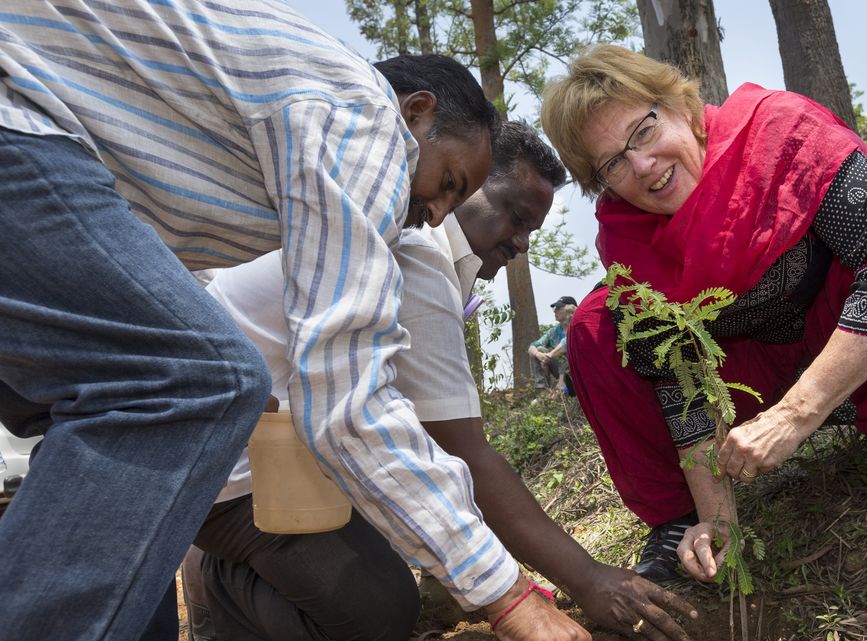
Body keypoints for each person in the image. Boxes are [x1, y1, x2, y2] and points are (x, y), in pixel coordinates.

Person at [0, 2, 503, 638]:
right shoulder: (366, 115)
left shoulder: (277, 158)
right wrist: (504, 594)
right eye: (449, 183)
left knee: (97, 409)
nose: (435, 215)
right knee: (200, 381)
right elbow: (348, 397)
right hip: (15, 115)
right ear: (416, 111)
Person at [182, 122, 697, 641]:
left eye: (530, 231)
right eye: (515, 217)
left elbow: (421, 430)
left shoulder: (422, 252)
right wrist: (587, 580)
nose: (520, 242)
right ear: (465, 185)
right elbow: (467, 454)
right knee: (377, 612)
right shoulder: (416, 253)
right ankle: (219, 579)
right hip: (227, 476)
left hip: (281, 451)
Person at [540, 44, 867, 585]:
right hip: (750, 369)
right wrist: (718, 519)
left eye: (643, 131)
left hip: (841, 334)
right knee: (594, 327)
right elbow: (679, 378)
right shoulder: (626, 240)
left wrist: (795, 416)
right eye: (612, 163)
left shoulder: (780, 135)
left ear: (681, 109)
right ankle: (676, 518)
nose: (642, 165)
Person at [528, 296, 578, 389]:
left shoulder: (578, 326)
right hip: (563, 372)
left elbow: (566, 343)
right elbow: (532, 346)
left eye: (558, 308)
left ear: (569, 309)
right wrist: (539, 355)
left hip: (580, 369)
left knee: (565, 353)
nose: (555, 311)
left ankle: (563, 384)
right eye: (554, 309)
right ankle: (543, 389)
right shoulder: (554, 332)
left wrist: (549, 355)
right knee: (539, 349)